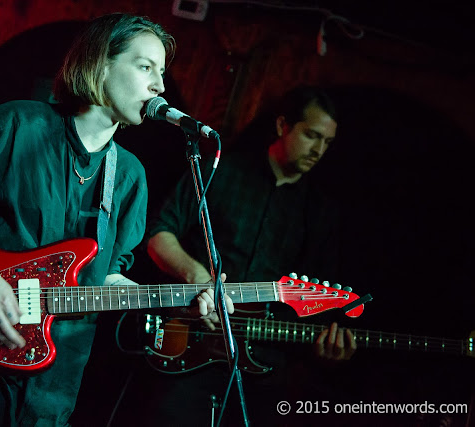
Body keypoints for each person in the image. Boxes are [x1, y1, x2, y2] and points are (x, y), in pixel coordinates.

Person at [0, 12, 227, 427]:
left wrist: (177, 303)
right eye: (145, 67)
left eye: (162, 72)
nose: (159, 85)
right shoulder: (17, 126)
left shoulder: (130, 177)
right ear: (101, 64)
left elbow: (104, 279)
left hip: (50, 390)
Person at [109, 85, 356, 426]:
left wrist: (325, 347)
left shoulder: (321, 211)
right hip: (191, 340)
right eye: (312, 136)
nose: (319, 150)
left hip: (266, 371)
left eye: (327, 143)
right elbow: (158, 234)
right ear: (283, 125)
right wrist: (197, 276)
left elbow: (318, 299)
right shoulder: (219, 170)